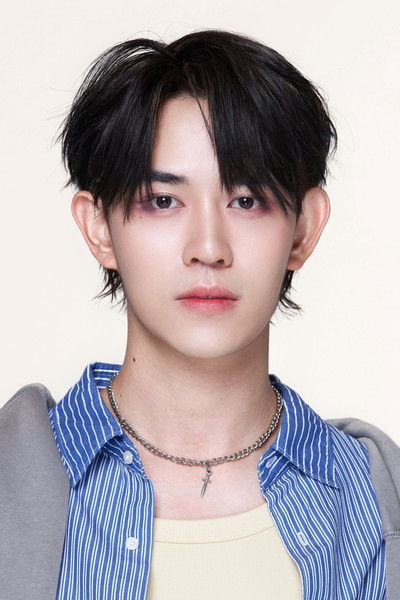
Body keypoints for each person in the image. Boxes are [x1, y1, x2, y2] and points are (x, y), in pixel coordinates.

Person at [0, 29, 399, 600]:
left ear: (304, 228)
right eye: (163, 201)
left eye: (246, 200)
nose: (208, 247)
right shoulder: (12, 478)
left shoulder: (375, 495)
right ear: (99, 228)